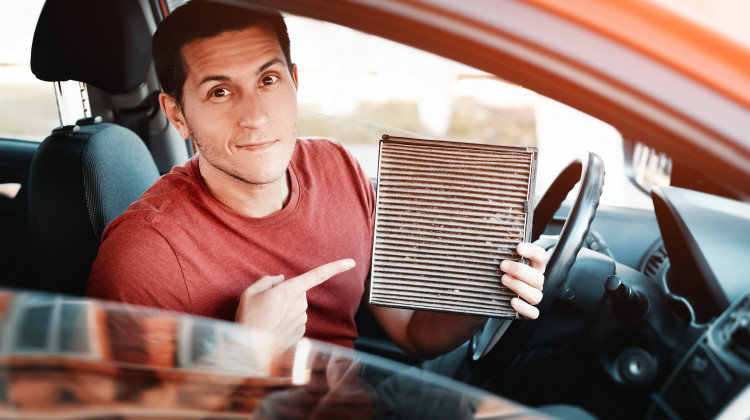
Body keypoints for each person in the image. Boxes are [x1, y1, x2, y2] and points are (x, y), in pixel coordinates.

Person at [86, 0, 547, 360]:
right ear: (177, 115)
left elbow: (413, 334)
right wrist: (242, 357)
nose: (255, 116)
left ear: (295, 82)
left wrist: (488, 293)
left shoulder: (338, 169)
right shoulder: (145, 257)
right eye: (220, 92)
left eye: (268, 80)